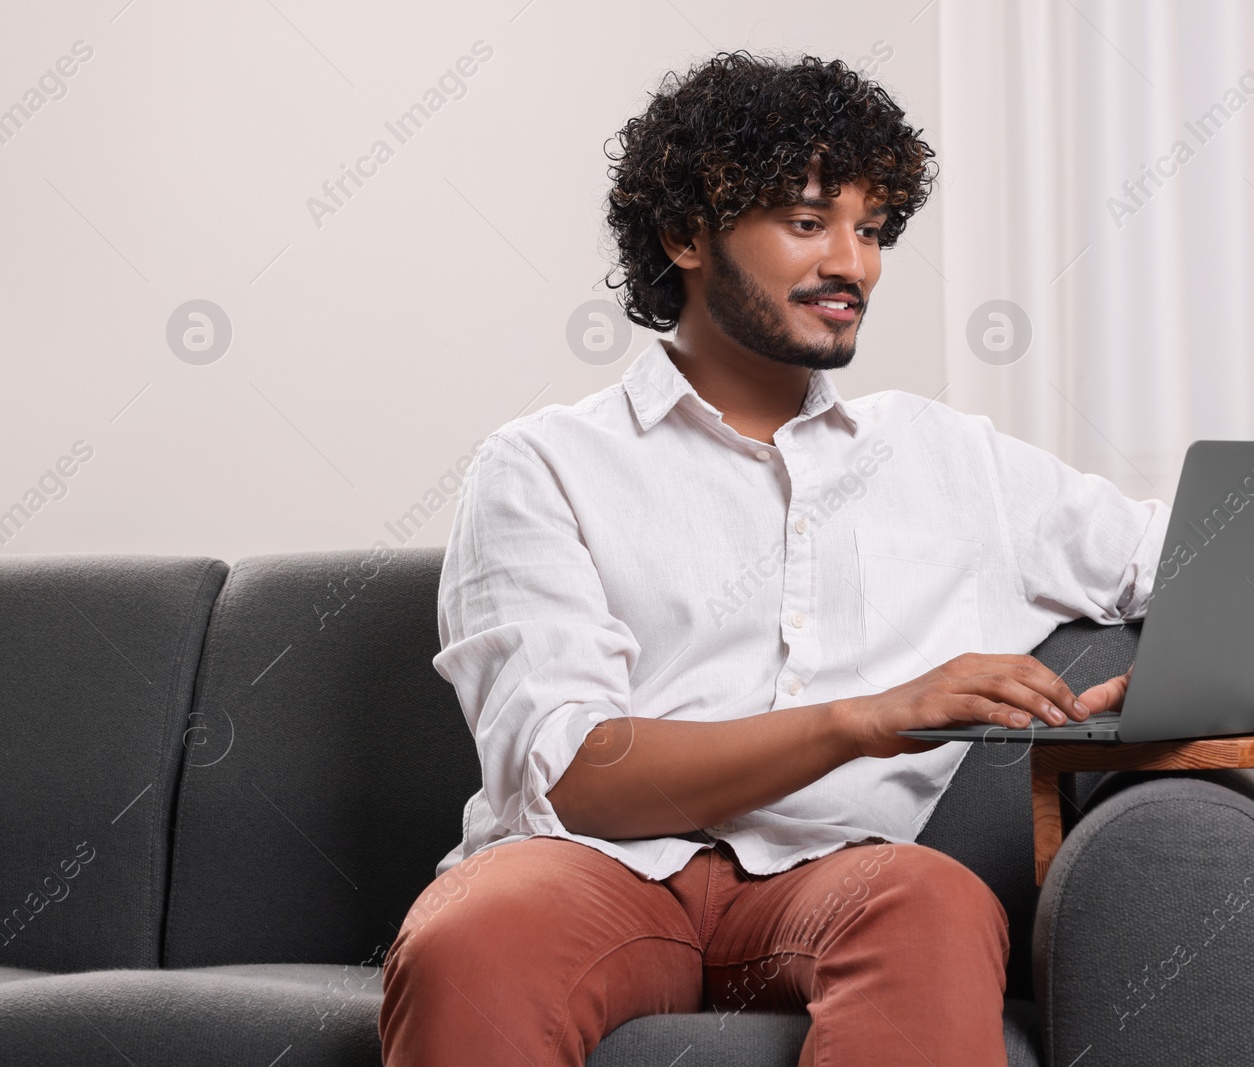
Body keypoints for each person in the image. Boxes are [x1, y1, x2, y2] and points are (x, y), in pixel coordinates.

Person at [379, 50, 1170, 1067]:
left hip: (836, 878)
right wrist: (865, 718)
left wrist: (1190, 672)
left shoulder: (950, 458)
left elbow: (1180, 558)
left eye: (873, 230)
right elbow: (574, 774)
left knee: (931, 900)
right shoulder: (543, 465)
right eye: (808, 223)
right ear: (685, 235)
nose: (854, 264)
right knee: (468, 935)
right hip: (593, 869)